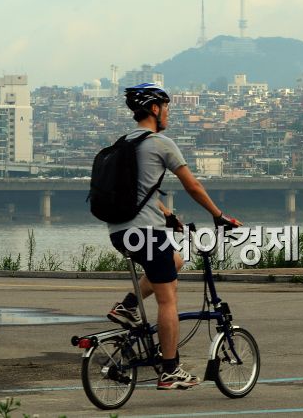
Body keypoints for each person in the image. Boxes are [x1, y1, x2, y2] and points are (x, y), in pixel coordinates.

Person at [106, 82, 240, 391]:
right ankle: (170, 370)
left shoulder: (122, 144)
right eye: (166, 108)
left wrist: (167, 214)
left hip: (119, 231)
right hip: (147, 234)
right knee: (168, 300)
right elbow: (193, 186)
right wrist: (218, 216)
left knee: (175, 261)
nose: (168, 114)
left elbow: (137, 192)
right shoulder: (161, 143)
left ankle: (127, 306)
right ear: (155, 109)